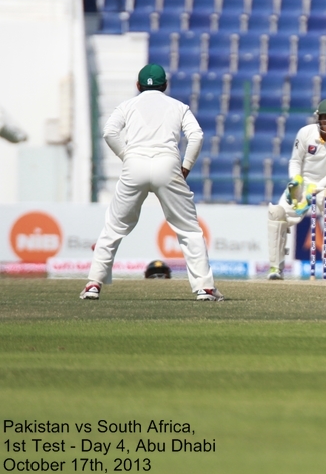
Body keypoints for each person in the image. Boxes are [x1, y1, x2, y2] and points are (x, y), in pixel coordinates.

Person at [81, 64, 223, 301]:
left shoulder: (127, 105)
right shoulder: (178, 106)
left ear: (138, 85)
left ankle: (93, 285)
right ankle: (204, 288)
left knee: (114, 227)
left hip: (134, 165)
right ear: (165, 85)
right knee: (188, 229)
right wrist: (185, 166)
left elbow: (109, 133)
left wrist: (127, 157)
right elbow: (196, 136)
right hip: (168, 165)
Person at [267, 99, 326, 279]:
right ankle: (275, 268)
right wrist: (295, 180)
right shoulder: (305, 133)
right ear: (318, 118)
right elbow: (295, 160)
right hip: (303, 186)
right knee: (276, 214)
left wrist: (315, 189)